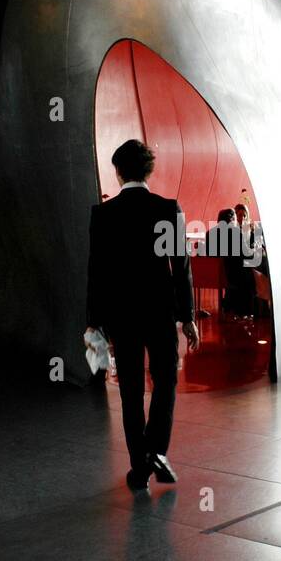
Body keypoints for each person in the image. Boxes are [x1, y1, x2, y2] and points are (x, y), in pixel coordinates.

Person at [86, 140, 200, 490]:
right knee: (166, 382)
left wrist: (94, 322)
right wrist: (188, 316)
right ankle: (157, 451)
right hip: (160, 313)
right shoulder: (168, 209)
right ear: (148, 170)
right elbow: (180, 268)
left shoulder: (103, 214)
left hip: (122, 316)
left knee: (131, 390)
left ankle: (140, 465)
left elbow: (97, 273)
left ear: (118, 172)